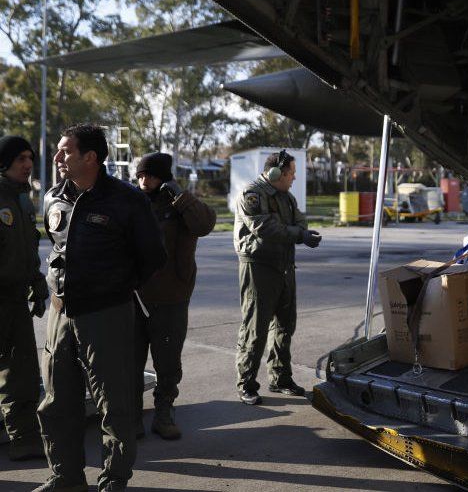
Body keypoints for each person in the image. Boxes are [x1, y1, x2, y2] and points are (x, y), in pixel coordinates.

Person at [36, 125, 166, 492]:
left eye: (65, 152)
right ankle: (65, 477)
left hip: (106, 314)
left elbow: (153, 257)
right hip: (60, 314)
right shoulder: (53, 197)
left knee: (115, 403)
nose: (58, 158)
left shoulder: (127, 200)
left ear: (90, 157)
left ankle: (113, 479)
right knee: (57, 400)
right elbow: (56, 248)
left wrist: (114, 287)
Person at [134, 152, 216, 440]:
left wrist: (181, 198)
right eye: (141, 175)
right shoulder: (133, 201)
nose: (144, 181)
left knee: (168, 362)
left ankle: (163, 411)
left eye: (151, 175)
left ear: (164, 177)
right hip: (135, 295)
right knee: (130, 360)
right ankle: (132, 416)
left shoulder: (179, 204)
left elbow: (204, 225)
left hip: (172, 295)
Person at [234, 150, 320, 405]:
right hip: (259, 266)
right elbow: (263, 227)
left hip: (284, 264)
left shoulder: (287, 198)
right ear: (276, 173)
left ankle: (280, 378)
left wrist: (300, 233)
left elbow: (300, 223)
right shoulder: (252, 194)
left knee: (285, 324)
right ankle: (246, 383)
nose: (294, 178)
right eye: (291, 173)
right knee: (255, 328)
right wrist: (297, 234)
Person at [0, 135, 47, 462]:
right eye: (21, 159)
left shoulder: (21, 199)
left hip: (16, 299)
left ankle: (23, 438)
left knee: (23, 374)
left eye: (29, 158)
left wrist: (37, 281)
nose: (28, 164)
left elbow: (28, 246)